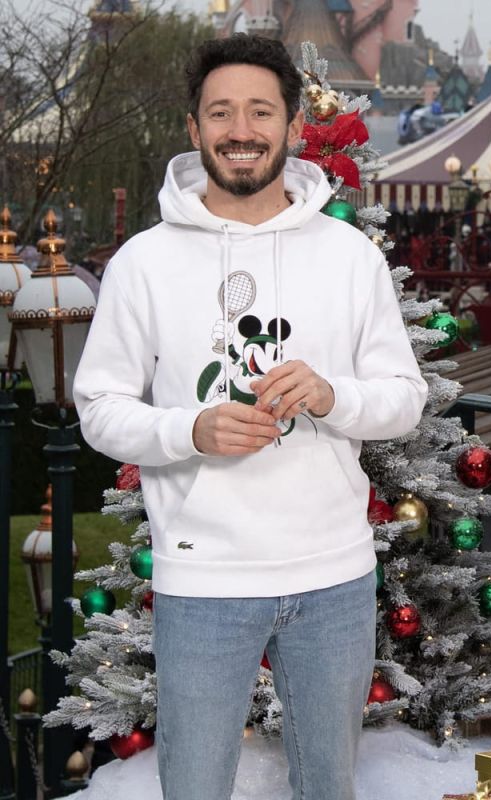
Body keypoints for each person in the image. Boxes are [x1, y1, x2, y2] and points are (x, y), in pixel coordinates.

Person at [73, 35, 428, 800]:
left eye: (261, 111)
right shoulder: (144, 263)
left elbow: (404, 398)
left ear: (294, 125)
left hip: (334, 575)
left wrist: (332, 396)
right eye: (222, 112)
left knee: (328, 788)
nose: (242, 130)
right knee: (196, 788)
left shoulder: (349, 257)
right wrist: (189, 430)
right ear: (194, 127)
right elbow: (98, 408)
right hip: (204, 577)